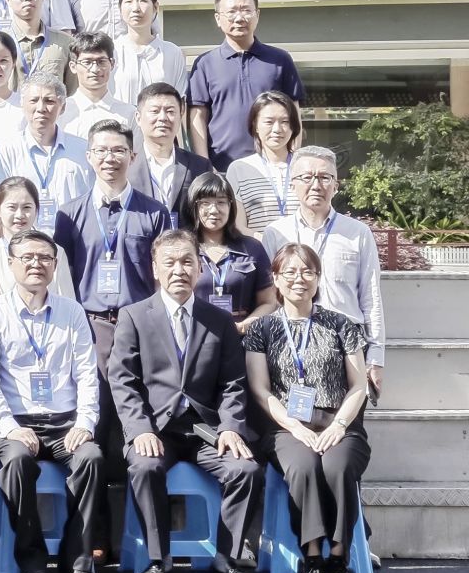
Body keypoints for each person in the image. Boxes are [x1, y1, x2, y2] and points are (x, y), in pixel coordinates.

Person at [109, 231, 263, 573]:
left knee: (245, 469)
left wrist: (231, 427)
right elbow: (122, 380)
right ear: (155, 269)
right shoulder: (134, 316)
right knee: (145, 467)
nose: (179, 270)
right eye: (170, 262)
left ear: (200, 268)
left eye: (187, 262)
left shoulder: (219, 320)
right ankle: (158, 559)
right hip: (156, 429)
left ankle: (227, 559)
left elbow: (233, 382)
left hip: (205, 430)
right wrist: (140, 429)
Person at [0, 230, 104, 573]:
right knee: (16, 461)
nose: (36, 264)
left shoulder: (71, 311)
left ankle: (77, 560)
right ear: (11, 263)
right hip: (16, 422)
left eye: (45, 257)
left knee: (91, 458)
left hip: (64, 423)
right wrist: (10, 427)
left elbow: (87, 374)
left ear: (55, 265)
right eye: (27, 257)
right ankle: (32, 558)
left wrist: (85, 422)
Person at [243, 242, 371, 573]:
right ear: (276, 278)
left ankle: (339, 559)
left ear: (318, 277)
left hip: (339, 424)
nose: (299, 279)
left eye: (308, 272)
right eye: (290, 272)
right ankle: (312, 557)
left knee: (337, 466)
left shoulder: (341, 324)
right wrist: (295, 427)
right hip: (286, 427)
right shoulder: (261, 329)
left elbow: (359, 385)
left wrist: (340, 425)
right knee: (303, 467)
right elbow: (260, 390)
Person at [261, 147, 386, 393]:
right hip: (290, 342)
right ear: (293, 184)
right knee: (292, 417)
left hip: (346, 344)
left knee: (348, 416)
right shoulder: (275, 233)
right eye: (307, 177)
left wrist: (376, 356)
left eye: (324, 177)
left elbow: (371, 297)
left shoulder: (358, 233)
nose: (316, 185)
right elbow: (270, 296)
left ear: (336, 185)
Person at [51, 122, 169, 375]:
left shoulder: (155, 213)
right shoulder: (69, 215)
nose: (109, 158)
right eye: (101, 151)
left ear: (132, 156)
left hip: (140, 324)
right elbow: (62, 277)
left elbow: (163, 274)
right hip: (89, 325)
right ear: (88, 156)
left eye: (118, 151)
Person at [187, 0, 307, 171]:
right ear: (218, 18)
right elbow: (198, 117)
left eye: (246, 10)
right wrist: (204, 165)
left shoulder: (280, 59)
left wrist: (293, 159)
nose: (239, 18)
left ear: (257, 15)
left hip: (273, 165)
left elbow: (294, 112)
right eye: (232, 11)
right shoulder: (205, 63)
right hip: (221, 167)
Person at [0, 77, 93, 223]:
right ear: (22, 104)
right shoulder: (4, 150)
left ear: (63, 107)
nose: (41, 108)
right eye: (34, 100)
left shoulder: (83, 149)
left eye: (49, 101)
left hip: (73, 235)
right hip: (23, 236)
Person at [184, 173, 274, 323]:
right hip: (195, 330)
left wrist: (245, 325)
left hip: (241, 332)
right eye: (205, 203)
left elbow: (269, 302)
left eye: (221, 202)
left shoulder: (252, 248)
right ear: (193, 205)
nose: (214, 210)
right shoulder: (183, 248)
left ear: (231, 206)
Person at [125, 82, 214, 227]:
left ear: (180, 115)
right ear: (138, 118)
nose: (163, 117)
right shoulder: (125, 164)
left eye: (170, 111)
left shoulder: (200, 166)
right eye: (155, 111)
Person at [0, 177, 74, 303]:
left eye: (26, 207)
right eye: (12, 207)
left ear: (36, 209)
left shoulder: (56, 252)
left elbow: (67, 303)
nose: (19, 215)